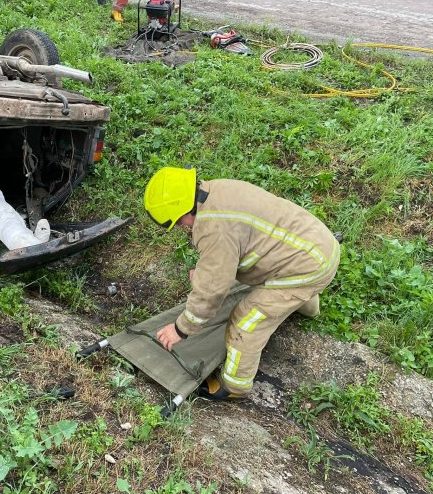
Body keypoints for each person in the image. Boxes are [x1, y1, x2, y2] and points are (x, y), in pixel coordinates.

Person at [143, 167, 340, 400]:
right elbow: (233, 244)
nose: (180, 228)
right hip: (316, 244)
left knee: (245, 321)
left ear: (184, 210)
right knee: (294, 292)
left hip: (306, 268)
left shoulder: (214, 228)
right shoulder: (214, 190)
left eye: (176, 223)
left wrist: (180, 329)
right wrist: (210, 271)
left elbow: (211, 292)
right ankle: (308, 305)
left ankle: (234, 387)